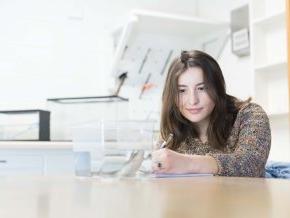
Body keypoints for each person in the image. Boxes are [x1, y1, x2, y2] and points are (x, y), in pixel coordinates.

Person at [152, 50, 271, 177]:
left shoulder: (250, 115)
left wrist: (187, 162)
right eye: (182, 90)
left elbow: (251, 165)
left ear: (217, 88)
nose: (193, 101)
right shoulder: (172, 132)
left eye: (201, 88)